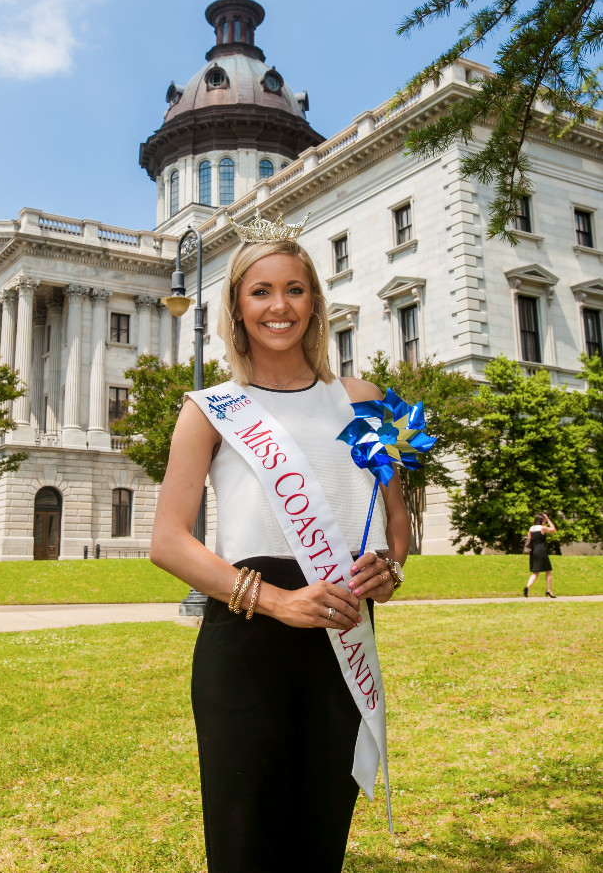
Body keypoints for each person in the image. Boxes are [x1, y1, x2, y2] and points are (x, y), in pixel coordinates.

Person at [151, 231, 410, 873]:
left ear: (315, 302)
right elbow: (167, 541)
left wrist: (391, 567)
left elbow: (399, 522)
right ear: (236, 308)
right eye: (259, 291)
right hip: (245, 643)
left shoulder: (365, 400)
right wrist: (277, 601)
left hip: (341, 640)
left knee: (320, 839)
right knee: (245, 843)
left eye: (294, 289)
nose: (279, 305)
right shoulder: (211, 409)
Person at [523, 512, 557, 598]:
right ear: (542, 520)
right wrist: (549, 519)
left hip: (533, 551)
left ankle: (528, 586)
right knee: (548, 571)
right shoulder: (543, 528)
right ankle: (549, 590)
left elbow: (529, 539)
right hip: (541, 551)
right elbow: (553, 529)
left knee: (535, 572)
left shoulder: (531, 528)